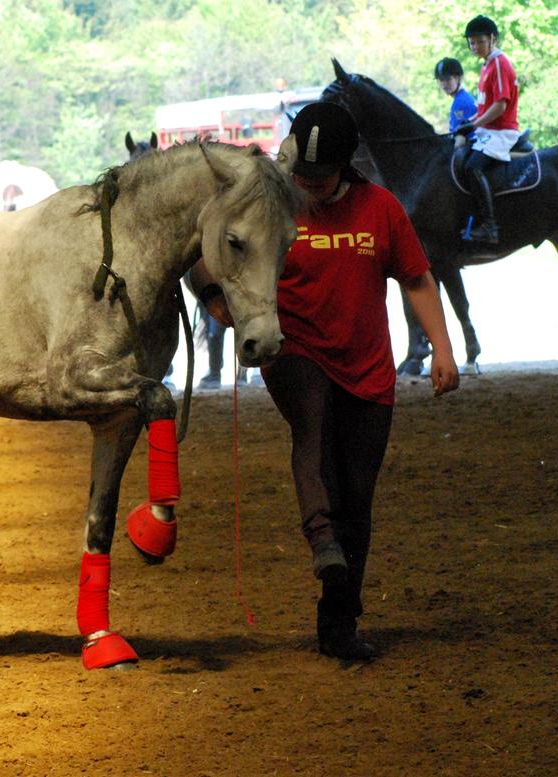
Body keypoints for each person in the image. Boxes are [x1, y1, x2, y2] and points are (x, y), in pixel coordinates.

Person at [191, 102, 459, 661]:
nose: (308, 186)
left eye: (320, 178)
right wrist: (214, 297)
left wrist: (443, 348)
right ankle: (320, 539)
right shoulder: (271, 204)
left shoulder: (382, 209)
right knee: (310, 430)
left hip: (368, 367)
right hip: (296, 349)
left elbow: (415, 278)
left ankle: (339, 617)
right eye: (302, 177)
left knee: (357, 497)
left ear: (346, 166)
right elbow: (208, 253)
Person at [454, 14, 520, 245]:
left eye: (479, 41)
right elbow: (484, 107)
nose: (475, 46)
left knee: (473, 168)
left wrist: (474, 124)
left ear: (492, 39)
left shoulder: (500, 64)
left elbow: (500, 106)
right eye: (471, 42)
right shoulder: (487, 65)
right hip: (488, 130)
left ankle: (491, 226)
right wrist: (468, 123)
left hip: (501, 131)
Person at [434, 57, 476, 137]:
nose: (443, 85)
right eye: (440, 80)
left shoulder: (460, 103)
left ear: (458, 78)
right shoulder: (463, 98)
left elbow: (461, 138)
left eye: (447, 79)